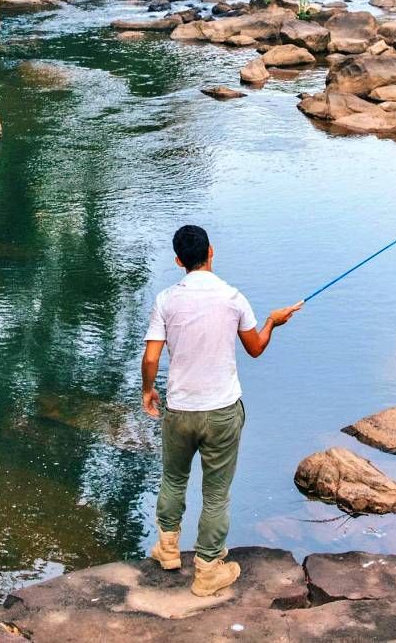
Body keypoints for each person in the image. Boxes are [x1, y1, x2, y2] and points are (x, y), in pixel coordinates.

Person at [140, 224, 301, 596]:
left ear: (178, 260)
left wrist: (149, 391)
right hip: (222, 411)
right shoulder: (233, 298)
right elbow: (256, 348)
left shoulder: (166, 300)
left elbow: (151, 357)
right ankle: (208, 569)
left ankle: (167, 549)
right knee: (215, 494)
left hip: (179, 409)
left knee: (173, 480)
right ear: (211, 252)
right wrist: (274, 321)